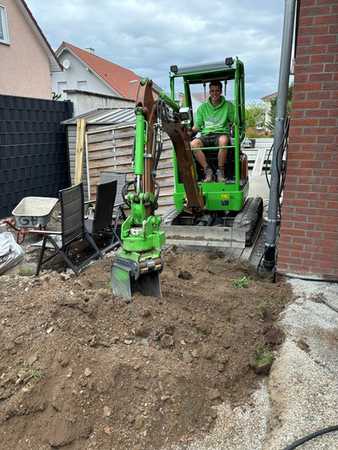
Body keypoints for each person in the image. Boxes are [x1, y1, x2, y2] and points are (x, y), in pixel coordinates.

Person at [191, 80, 235, 182]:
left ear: (221, 91)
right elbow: (197, 126)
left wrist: (234, 124)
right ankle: (208, 171)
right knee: (193, 144)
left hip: (221, 134)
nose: (214, 93)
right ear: (209, 92)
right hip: (206, 135)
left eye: (217, 90)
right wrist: (187, 131)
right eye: (212, 91)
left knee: (223, 141)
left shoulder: (228, 106)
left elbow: (234, 121)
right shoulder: (202, 108)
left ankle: (220, 171)